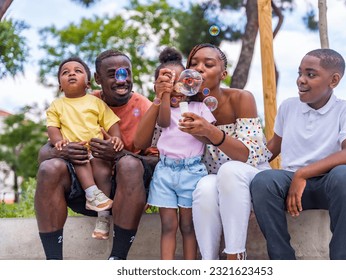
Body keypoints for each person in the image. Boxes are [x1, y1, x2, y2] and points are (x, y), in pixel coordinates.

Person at [35, 49, 158, 260]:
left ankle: (117, 259)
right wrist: (62, 150)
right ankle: (53, 262)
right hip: (86, 190)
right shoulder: (81, 101)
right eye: (113, 74)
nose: (122, 80)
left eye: (126, 73)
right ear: (97, 79)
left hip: (128, 192)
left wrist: (120, 154)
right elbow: (44, 154)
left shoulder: (145, 107)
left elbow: (161, 160)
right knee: (49, 167)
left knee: (128, 164)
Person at [250, 48, 346, 260]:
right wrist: (228, 148)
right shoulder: (288, 107)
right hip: (291, 188)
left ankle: (342, 260)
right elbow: (272, 148)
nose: (301, 80)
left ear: (334, 80)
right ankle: (283, 261)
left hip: (328, 185)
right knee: (263, 180)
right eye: (300, 73)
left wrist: (303, 174)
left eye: (311, 75)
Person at [174, 43, 271, 260]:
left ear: (223, 74)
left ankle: (235, 255)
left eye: (208, 64)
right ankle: (210, 262)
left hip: (251, 176)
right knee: (205, 186)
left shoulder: (240, 98)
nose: (199, 68)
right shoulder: (184, 107)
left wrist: (210, 131)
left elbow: (250, 156)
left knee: (228, 170)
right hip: (216, 182)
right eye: (193, 64)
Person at [135, 47, 216, 260]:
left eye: (182, 81)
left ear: (191, 82)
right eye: (168, 82)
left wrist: (197, 130)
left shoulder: (198, 107)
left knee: (188, 226)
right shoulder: (164, 110)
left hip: (192, 171)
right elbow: (162, 122)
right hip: (165, 172)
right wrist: (162, 96)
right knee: (168, 225)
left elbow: (209, 139)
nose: (176, 87)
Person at [47, 57, 124, 241]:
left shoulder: (95, 103)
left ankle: (103, 218)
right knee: (80, 157)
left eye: (77, 71)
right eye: (65, 73)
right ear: (60, 86)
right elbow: (52, 128)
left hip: (96, 151)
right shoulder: (57, 105)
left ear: (88, 83)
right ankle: (92, 193)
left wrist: (116, 138)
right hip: (74, 151)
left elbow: (111, 123)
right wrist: (58, 141)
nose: (71, 73)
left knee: (103, 170)